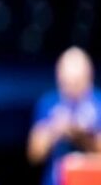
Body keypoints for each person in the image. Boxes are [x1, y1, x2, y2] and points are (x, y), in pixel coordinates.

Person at [27, 46, 101, 185]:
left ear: (89, 76)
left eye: (77, 81)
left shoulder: (98, 102)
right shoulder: (48, 103)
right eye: (67, 81)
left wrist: (82, 134)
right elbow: (34, 154)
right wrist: (55, 128)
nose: (71, 87)